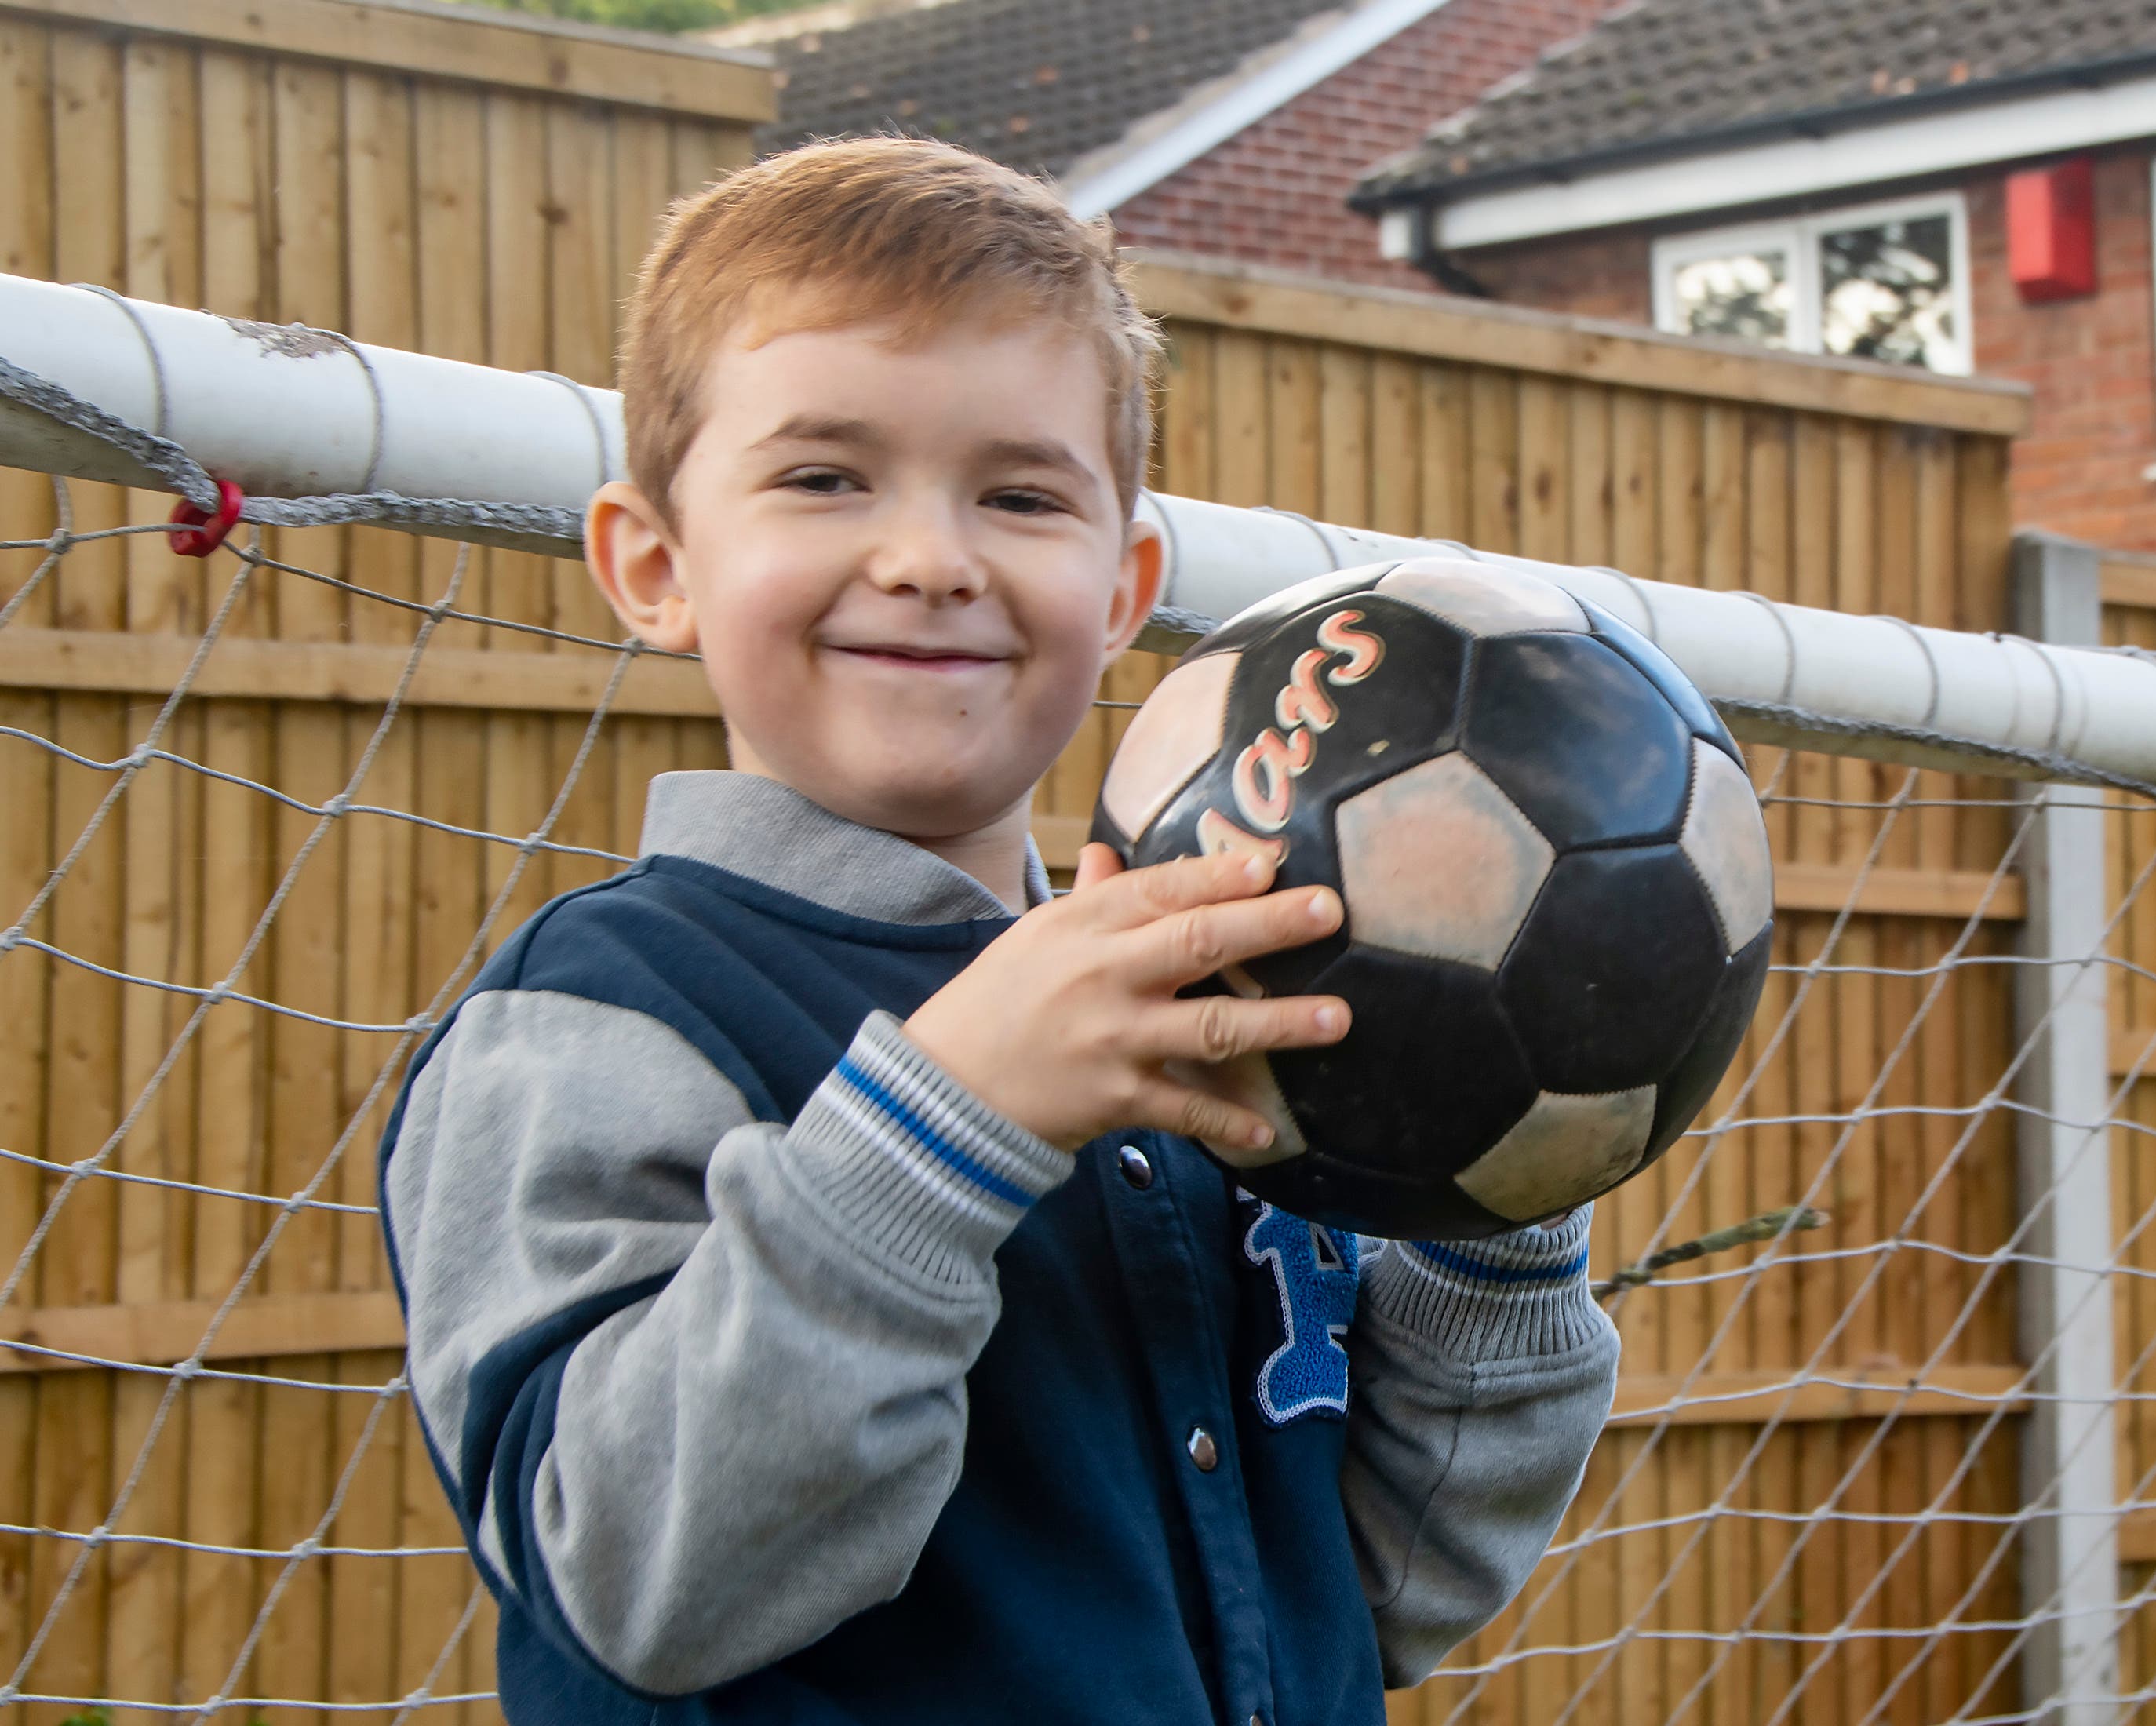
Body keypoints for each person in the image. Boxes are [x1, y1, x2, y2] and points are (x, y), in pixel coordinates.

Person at [378, 136, 1619, 1725]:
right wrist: (946, 1127)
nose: (931, 559)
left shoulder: (1222, 990)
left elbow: (1389, 1584)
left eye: (1022, 493)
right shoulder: (596, 1018)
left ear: (1125, 586)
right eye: (824, 476)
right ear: (655, 562)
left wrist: (1490, 1197)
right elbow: (639, 1579)